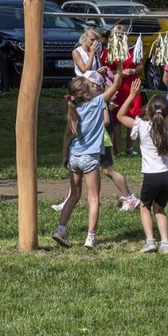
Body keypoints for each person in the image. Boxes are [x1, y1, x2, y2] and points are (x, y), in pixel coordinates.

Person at [52, 69, 123, 249]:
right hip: (90, 157)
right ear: (85, 93)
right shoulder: (98, 102)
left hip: (74, 157)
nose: (95, 86)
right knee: (93, 198)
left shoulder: (74, 108)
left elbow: (67, 135)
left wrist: (65, 156)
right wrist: (119, 68)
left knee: (74, 195)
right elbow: (115, 85)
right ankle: (90, 237)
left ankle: (61, 229)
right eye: (91, 85)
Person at [118, 83, 168, 253]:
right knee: (160, 207)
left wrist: (132, 95)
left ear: (148, 111)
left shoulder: (142, 126)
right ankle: (166, 243)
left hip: (152, 175)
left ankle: (150, 241)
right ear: (167, 112)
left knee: (145, 206)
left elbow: (120, 115)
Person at [100, 24, 142, 156]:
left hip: (132, 85)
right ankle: (116, 150)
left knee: (133, 115)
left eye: (123, 34)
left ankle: (130, 148)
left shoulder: (132, 49)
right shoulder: (108, 52)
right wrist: (118, 72)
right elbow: (104, 70)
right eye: (118, 35)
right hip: (116, 87)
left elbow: (140, 65)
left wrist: (133, 70)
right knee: (117, 119)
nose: (121, 37)